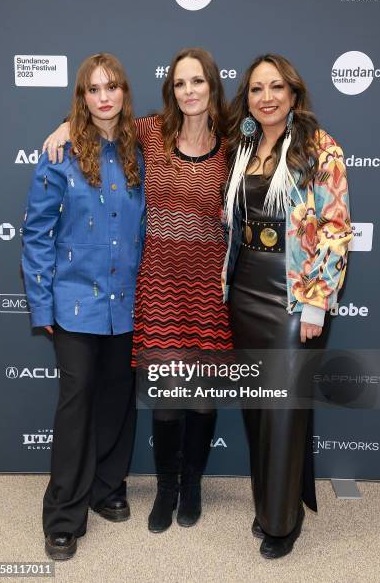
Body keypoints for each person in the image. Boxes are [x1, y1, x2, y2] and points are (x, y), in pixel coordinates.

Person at [42, 48, 232, 533]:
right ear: (171, 90)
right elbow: (101, 128)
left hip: (210, 287)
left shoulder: (233, 144)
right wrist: (64, 127)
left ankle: (192, 485)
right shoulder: (150, 133)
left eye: (198, 82)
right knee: (167, 392)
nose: (189, 91)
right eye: (180, 83)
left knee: (202, 395)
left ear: (212, 86)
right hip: (158, 285)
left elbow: (273, 148)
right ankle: (166, 488)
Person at [223, 54, 351, 559]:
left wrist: (317, 302)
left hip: (294, 291)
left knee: (282, 408)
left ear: (294, 95)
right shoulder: (244, 144)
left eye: (277, 87)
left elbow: (336, 228)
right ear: (248, 98)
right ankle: (271, 502)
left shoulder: (321, 148)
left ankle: (281, 522)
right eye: (257, 89)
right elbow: (165, 127)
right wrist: (66, 124)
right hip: (246, 283)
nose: (267, 97)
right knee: (258, 408)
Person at [22, 53, 145, 560]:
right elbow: (36, 235)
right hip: (74, 302)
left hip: (130, 300)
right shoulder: (60, 153)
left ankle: (107, 488)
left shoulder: (146, 145)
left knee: (118, 398)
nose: (104, 97)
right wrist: (41, 305)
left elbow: (192, 123)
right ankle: (64, 514)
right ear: (82, 96)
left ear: (123, 93)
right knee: (76, 405)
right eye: (94, 89)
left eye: (112, 87)